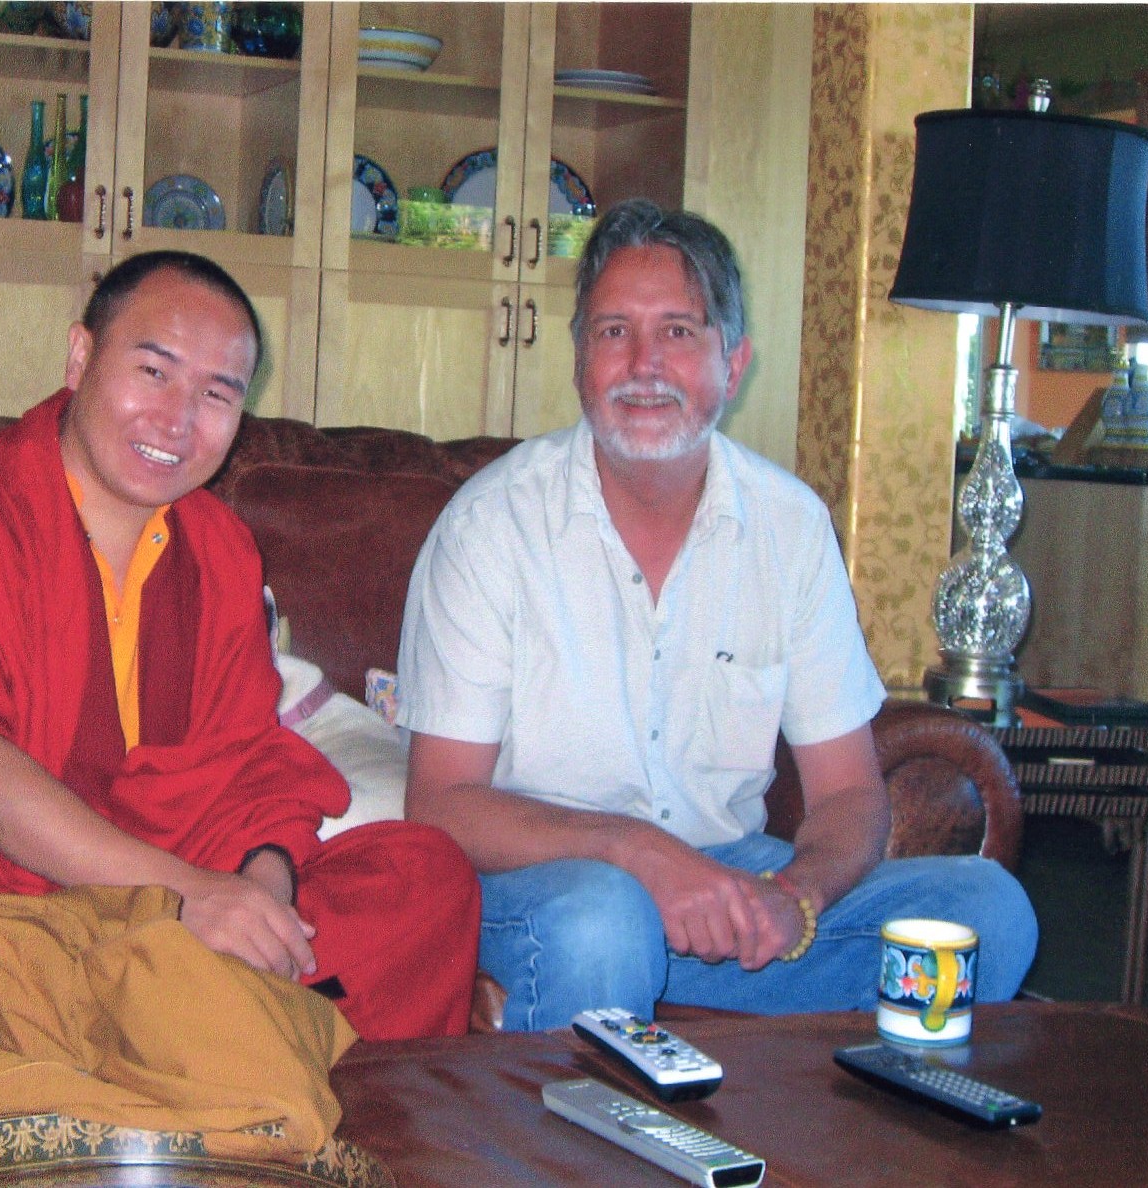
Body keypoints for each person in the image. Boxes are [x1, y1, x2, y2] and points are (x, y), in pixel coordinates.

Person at [0, 250, 480, 1042]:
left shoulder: (219, 547)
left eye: (218, 394)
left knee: (426, 879)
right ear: (81, 357)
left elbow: (248, 763)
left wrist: (261, 890)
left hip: (162, 896)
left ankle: (201, 1016)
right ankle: (220, 1026)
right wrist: (190, 895)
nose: (179, 421)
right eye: (154, 372)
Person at [396, 199, 1037, 1031]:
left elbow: (847, 792)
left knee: (987, 910)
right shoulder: (491, 527)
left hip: (736, 879)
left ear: (733, 367)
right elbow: (442, 801)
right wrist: (640, 855)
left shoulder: (790, 525)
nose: (643, 364)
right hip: (546, 882)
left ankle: (837, 1125)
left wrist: (795, 900)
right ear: (581, 361)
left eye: (679, 332)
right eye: (613, 331)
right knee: (604, 923)